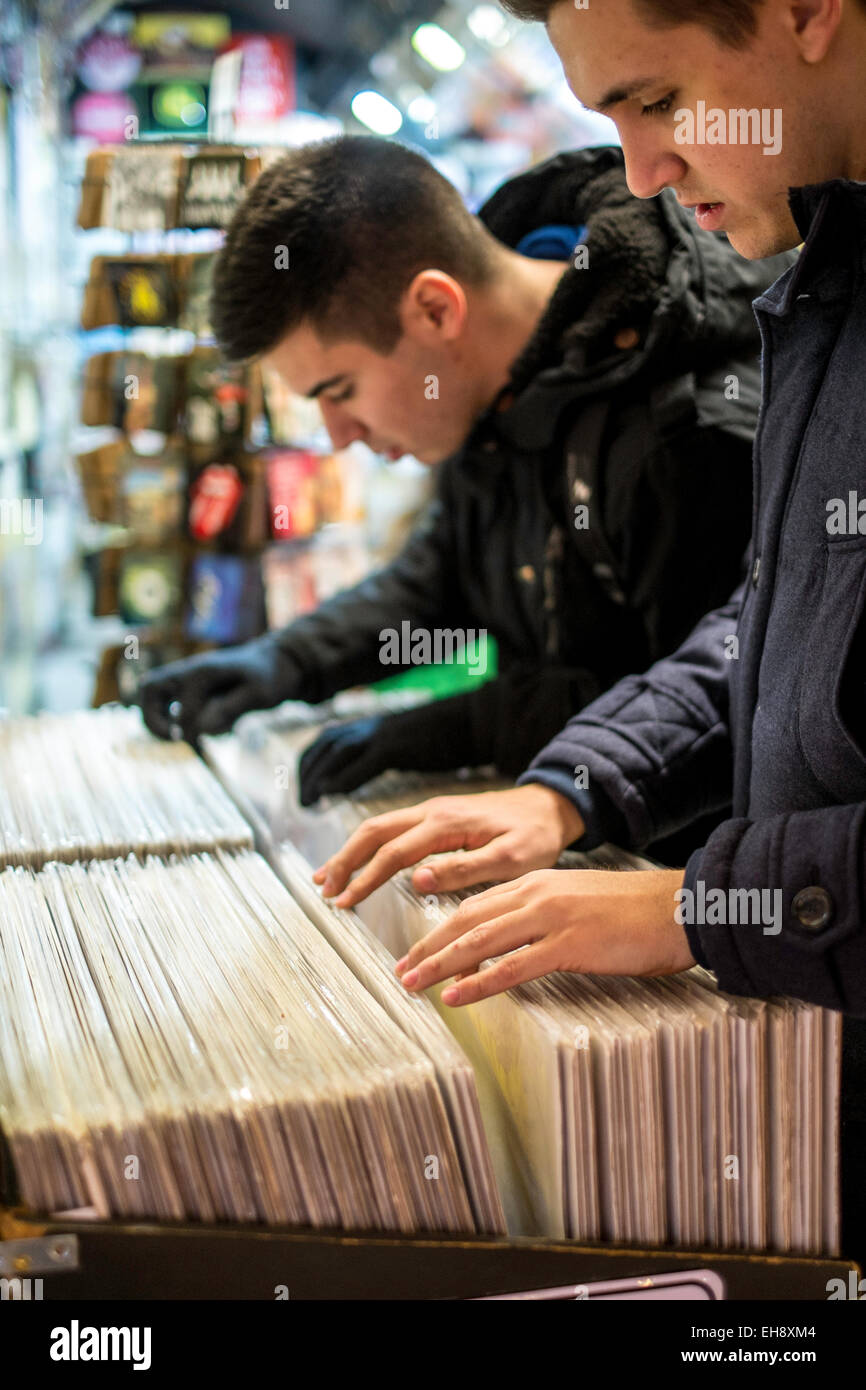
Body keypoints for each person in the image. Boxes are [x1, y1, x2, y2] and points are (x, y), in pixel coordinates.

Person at [312, 0, 866, 1260]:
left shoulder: (715, 362)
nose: (643, 172)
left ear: (802, 11)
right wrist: (573, 783)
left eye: (659, 101)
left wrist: (704, 907)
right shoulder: (822, 285)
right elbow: (769, 623)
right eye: (608, 119)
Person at [140, 136, 783, 836]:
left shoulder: (685, 429)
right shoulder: (488, 395)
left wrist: (452, 729)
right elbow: (441, 575)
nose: (336, 435)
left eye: (340, 391)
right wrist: (280, 665)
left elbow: (692, 706)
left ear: (436, 311)